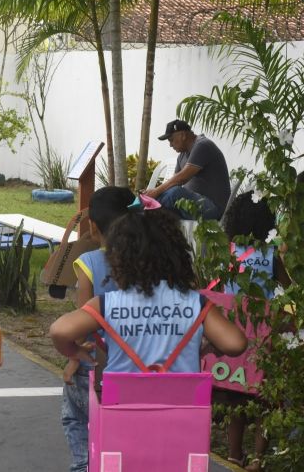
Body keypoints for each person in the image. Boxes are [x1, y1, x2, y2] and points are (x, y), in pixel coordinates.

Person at [49, 206, 247, 374]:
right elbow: (235, 344)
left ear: (120, 258)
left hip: (123, 411)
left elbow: (60, 331)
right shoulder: (195, 303)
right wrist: (208, 346)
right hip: (181, 411)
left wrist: (74, 352)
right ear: (176, 254)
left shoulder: (107, 304)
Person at [61, 186, 134, 472]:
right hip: (131, 360)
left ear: (93, 226)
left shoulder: (89, 262)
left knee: (76, 418)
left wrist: (71, 358)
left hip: (95, 360)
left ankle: (84, 466)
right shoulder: (149, 261)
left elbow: (83, 320)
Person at [218, 191, 290, 471]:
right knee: (266, 398)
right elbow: (289, 288)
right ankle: (258, 458)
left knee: (237, 395)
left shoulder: (229, 251)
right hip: (264, 334)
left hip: (234, 332)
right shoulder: (271, 256)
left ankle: (235, 454)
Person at [145, 119, 230, 220]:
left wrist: (155, 192)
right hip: (191, 205)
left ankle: (143, 208)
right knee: (168, 195)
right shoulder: (182, 155)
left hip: (213, 208)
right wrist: (151, 193)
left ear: (183, 135)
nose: (170, 145)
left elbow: (182, 178)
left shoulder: (202, 145)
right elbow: (173, 183)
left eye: (171, 139)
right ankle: (145, 207)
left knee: (175, 193)